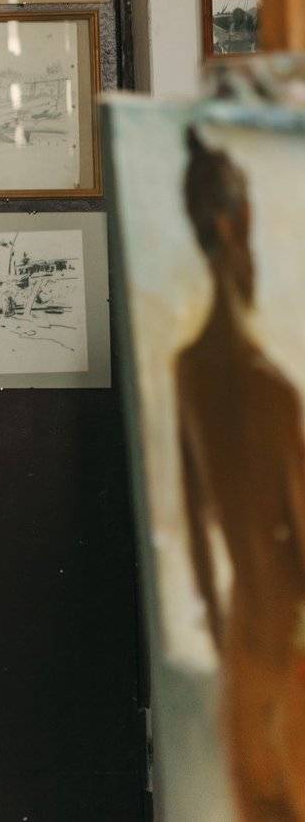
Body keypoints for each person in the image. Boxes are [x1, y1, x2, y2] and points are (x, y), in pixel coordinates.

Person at [177, 128, 305, 821]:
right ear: (234, 225)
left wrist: (225, 637)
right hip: (291, 648)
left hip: (241, 651)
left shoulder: (190, 372)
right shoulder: (272, 391)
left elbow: (199, 541)